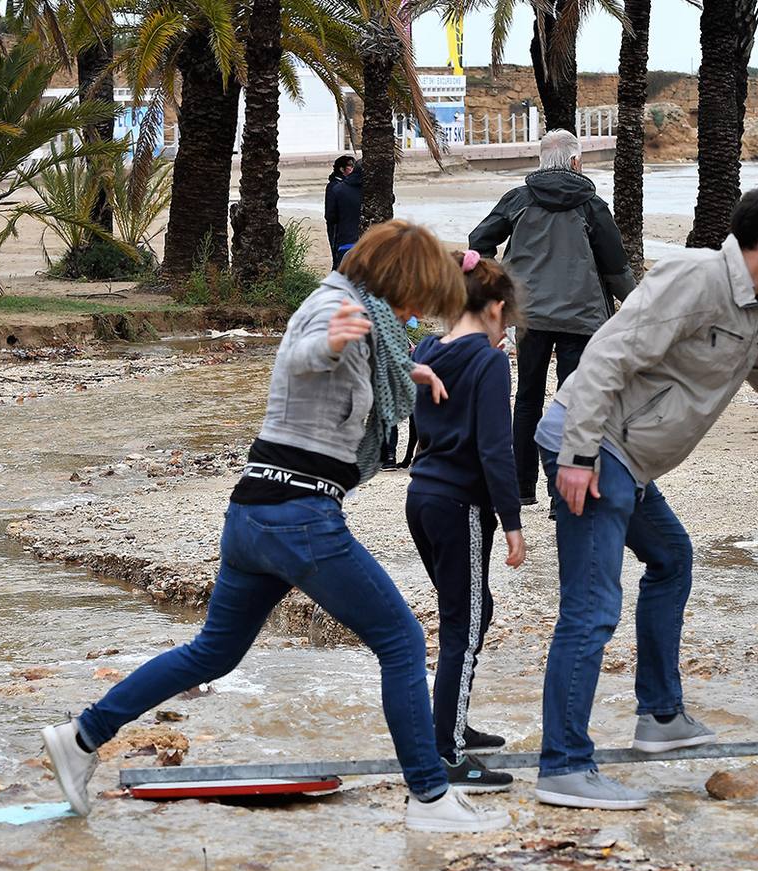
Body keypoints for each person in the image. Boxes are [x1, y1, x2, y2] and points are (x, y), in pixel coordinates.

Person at [41, 220, 510, 833]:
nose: (420, 310)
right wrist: (334, 346)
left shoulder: (354, 310)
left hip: (253, 515)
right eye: (419, 296)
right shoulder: (335, 310)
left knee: (213, 652)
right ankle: (429, 798)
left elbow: (340, 369)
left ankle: (81, 738)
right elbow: (303, 354)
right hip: (300, 518)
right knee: (400, 642)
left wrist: (409, 371)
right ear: (398, 279)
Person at [533, 188, 758, 809]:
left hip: (625, 460)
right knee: (591, 608)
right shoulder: (696, 279)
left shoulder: (751, 312)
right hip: (594, 450)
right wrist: (577, 455)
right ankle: (563, 765)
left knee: (672, 557)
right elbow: (607, 353)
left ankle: (660, 718)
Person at [406, 249, 525, 794]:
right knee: (464, 624)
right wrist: (512, 522)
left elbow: (417, 421)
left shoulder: (427, 350)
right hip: (460, 506)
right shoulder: (489, 361)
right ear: (496, 308)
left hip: (422, 498)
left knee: (471, 612)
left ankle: (451, 723)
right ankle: (448, 754)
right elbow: (495, 449)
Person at [469, 129, 636, 507]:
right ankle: (561, 496)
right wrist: (639, 306)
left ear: (541, 161)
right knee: (572, 403)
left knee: (527, 398)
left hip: (529, 315)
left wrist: (500, 282)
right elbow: (615, 265)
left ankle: (521, 487)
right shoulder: (591, 205)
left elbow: (479, 241)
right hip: (582, 317)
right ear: (577, 162)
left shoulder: (519, 200)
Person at [325, 155, 363, 270]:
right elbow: (330, 216)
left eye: (352, 165)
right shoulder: (335, 186)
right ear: (342, 169)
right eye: (349, 165)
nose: (351, 168)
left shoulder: (339, 188)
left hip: (344, 237)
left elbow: (330, 215)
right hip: (342, 232)